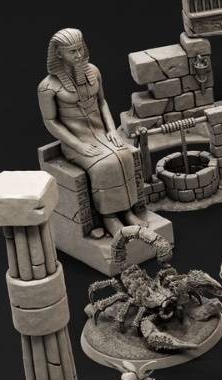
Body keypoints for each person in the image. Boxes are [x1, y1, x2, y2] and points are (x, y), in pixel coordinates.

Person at [39, 28, 144, 236]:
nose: (79, 55)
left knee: (124, 155)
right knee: (104, 165)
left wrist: (112, 130)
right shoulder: (47, 87)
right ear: (58, 53)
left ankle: (127, 211)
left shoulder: (93, 72)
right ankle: (109, 217)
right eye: (72, 51)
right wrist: (79, 146)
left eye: (80, 49)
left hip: (102, 134)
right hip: (76, 142)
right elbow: (50, 122)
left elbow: (102, 102)